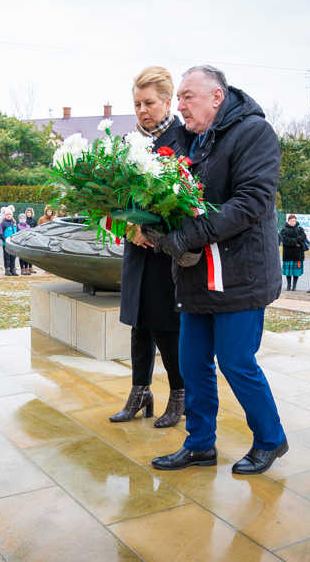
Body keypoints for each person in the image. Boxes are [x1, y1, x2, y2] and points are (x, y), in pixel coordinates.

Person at [149, 65, 287, 474]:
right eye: (179, 98)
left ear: (216, 97)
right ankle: (200, 444)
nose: (180, 105)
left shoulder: (254, 134)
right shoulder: (189, 140)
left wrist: (188, 235)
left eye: (187, 96)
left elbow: (251, 202)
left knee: (236, 362)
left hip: (241, 274)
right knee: (192, 363)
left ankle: (270, 439)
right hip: (196, 276)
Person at [109, 65, 186, 429]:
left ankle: (179, 394)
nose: (143, 110)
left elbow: (187, 198)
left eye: (150, 103)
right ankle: (140, 392)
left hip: (164, 251)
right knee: (138, 323)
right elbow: (112, 196)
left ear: (168, 101)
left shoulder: (184, 139)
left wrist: (151, 229)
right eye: (138, 103)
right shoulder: (127, 144)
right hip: (135, 248)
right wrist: (125, 224)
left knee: (164, 326)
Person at [280, 214, 307, 291]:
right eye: (291, 221)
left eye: (294, 221)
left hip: (298, 254)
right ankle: (288, 285)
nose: (292, 222)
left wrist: (294, 240)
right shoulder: (284, 230)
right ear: (288, 221)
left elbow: (304, 237)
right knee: (288, 272)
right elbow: (285, 240)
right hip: (288, 254)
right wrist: (296, 242)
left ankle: (294, 286)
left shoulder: (300, 229)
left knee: (296, 272)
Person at [0, 208, 19, 276]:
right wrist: (5, 240)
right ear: (5, 215)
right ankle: (7, 269)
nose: (8, 216)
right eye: (7, 214)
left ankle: (13, 269)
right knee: (7, 257)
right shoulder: (3, 224)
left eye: (10, 214)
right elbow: (0, 233)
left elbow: (18, 232)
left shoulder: (14, 223)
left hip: (14, 243)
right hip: (6, 243)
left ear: (12, 215)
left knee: (13, 257)